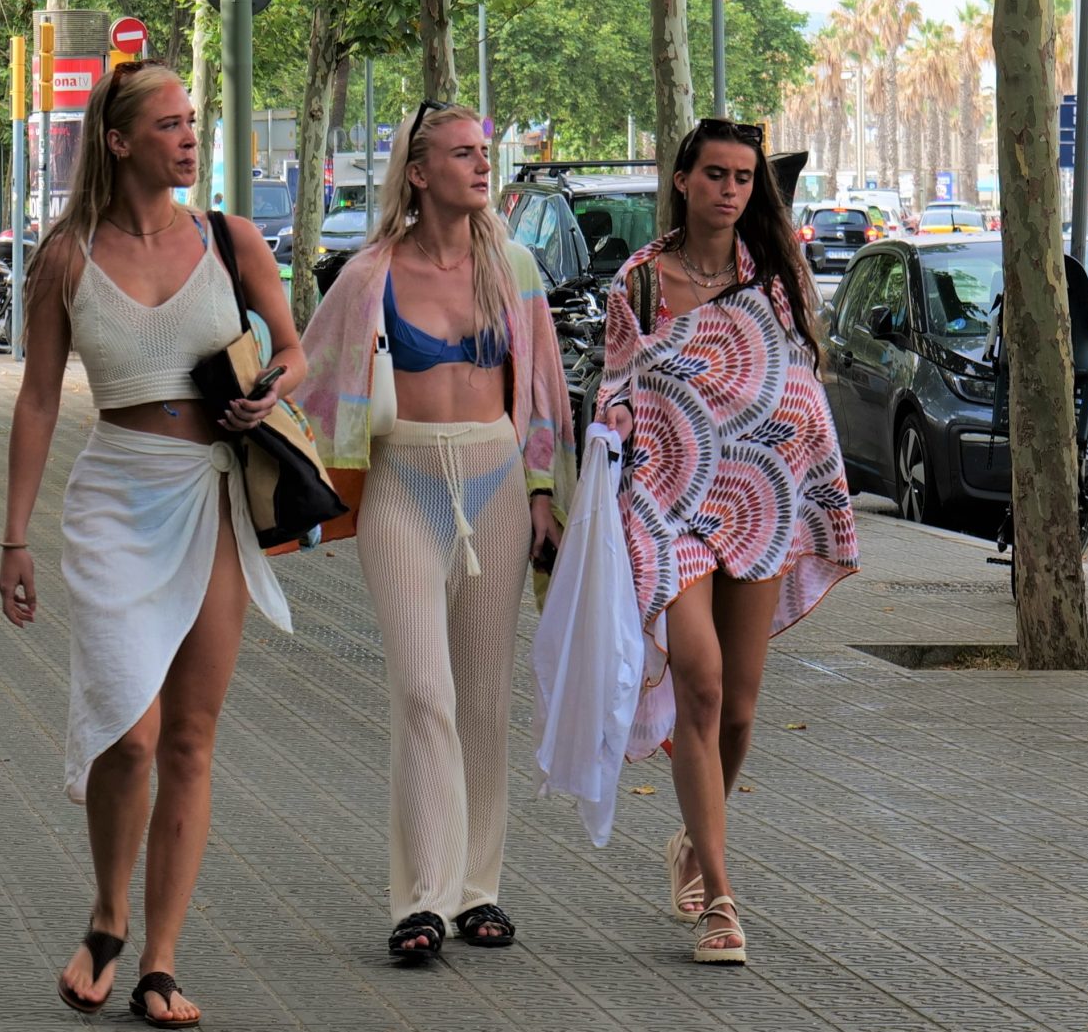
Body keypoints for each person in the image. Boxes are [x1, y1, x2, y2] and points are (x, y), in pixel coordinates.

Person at [0, 62, 299, 1030]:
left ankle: (160, 959)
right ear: (119, 140)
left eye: (192, 120)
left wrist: (274, 384)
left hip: (210, 490)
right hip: (116, 496)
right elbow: (40, 395)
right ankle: (105, 912)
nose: (187, 135)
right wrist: (15, 536)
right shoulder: (67, 256)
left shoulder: (229, 237)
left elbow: (292, 344)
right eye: (167, 123)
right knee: (126, 734)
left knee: (188, 737)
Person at [294, 103, 573, 962]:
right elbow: (313, 379)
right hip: (401, 485)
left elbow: (545, 397)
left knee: (484, 699)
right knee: (424, 691)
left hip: (492, 478)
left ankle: (477, 891)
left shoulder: (514, 267)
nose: (481, 165)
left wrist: (541, 496)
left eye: (484, 152)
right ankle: (420, 899)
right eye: (462, 154)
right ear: (418, 173)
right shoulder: (368, 273)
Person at [597, 119, 856, 966]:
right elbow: (613, 393)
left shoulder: (776, 280)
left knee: (740, 707)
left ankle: (690, 841)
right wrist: (607, 462)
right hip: (667, 506)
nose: (730, 190)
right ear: (682, 179)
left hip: (759, 501)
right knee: (701, 689)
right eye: (714, 174)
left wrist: (811, 475)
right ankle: (721, 897)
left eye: (744, 178)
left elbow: (796, 384)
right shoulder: (638, 282)